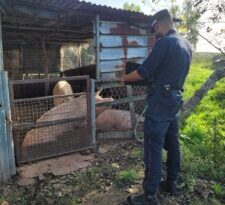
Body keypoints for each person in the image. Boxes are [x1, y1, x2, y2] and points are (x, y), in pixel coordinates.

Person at [121, 9, 192, 205]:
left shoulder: (164, 43)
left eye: (156, 30)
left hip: (160, 102)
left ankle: (150, 196)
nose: (156, 34)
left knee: (153, 147)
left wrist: (125, 78)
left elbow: (143, 72)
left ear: (159, 24)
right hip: (175, 100)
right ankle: (171, 184)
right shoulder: (186, 44)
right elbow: (168, 71)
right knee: (173, 143)